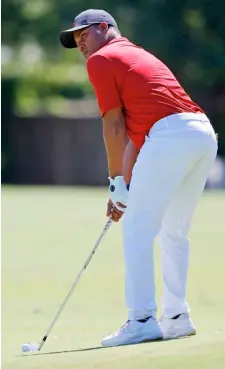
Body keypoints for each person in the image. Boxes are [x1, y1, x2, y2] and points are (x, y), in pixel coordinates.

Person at [60, 9, 218, 347]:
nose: (81, 43)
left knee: (137, 229)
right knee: (173, 230)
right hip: (201, 135)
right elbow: (137, 136)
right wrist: (123, 188)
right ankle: (176, 317)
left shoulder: (102, 59)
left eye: (84, 34)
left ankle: (142, 319)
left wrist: (114, 178)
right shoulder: (138, 54)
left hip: (171, 137)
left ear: (104, 28)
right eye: (76, 39)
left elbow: (113, 125)